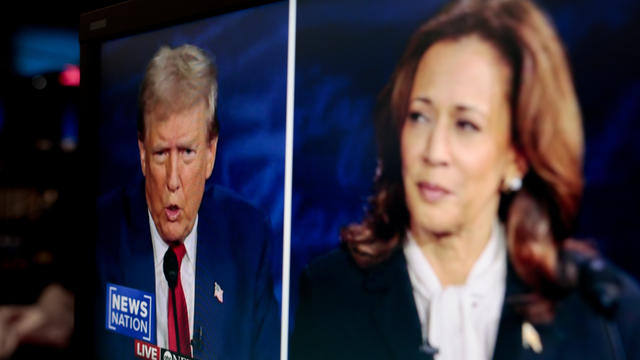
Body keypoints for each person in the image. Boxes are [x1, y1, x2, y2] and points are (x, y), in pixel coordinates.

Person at [290, 1, 640, 359]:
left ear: (517, 157)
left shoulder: (602, 311)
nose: (434, 151)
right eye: (420, 117)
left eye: (466, 125)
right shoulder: (331, 293)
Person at [95, 44, 279, 359]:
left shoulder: (247, 238)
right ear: (142, 154)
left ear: (210, 153)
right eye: (161, 153)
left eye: (187, 153)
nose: (173, 179)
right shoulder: (102, 235)